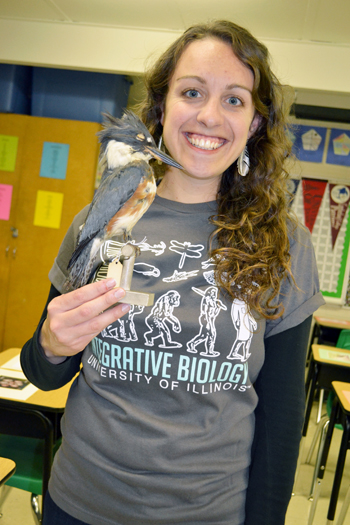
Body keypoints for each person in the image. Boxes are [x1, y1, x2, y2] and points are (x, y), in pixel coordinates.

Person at [21, 20, 325, 525]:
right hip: (79, 504)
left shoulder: (285, 244)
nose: (209, 115)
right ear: (162, 108)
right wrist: (52, 343)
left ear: (253, 124)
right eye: (191, 92)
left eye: (234, 99)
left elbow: (280, 418)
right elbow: (42, 370)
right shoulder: (103, 219)